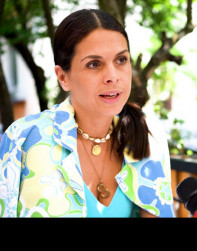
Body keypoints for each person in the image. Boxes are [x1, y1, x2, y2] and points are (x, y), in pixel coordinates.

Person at [0, 9, 175, 217]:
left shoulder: (148, 135)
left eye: (121, 60)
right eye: (94, 64)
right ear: (63, 77)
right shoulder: (23, 138)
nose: (112, 76)